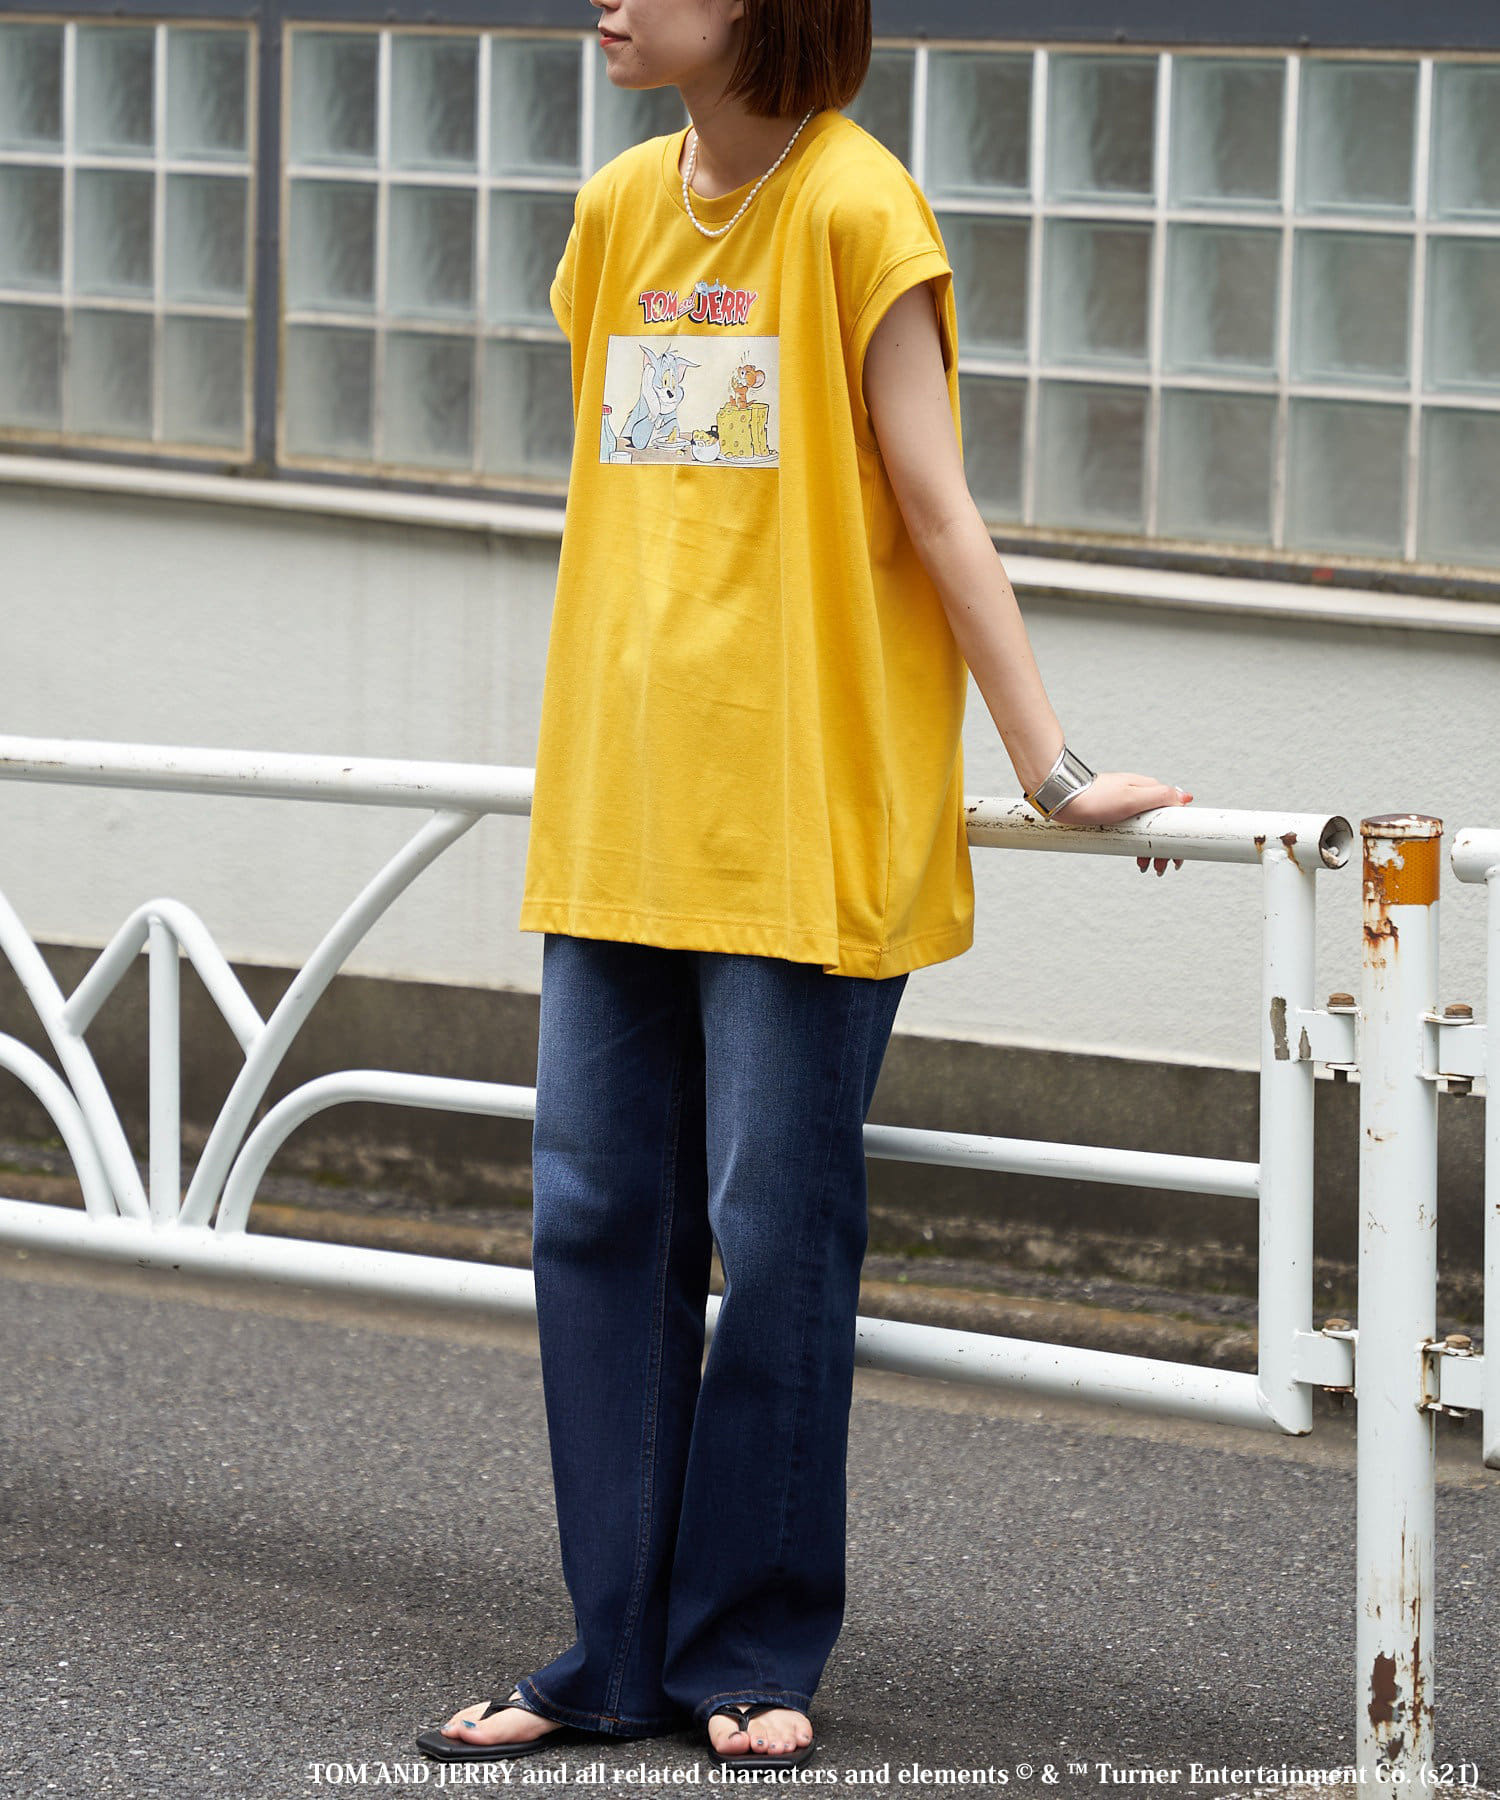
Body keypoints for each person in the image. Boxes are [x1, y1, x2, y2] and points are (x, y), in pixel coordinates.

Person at [416, 0, 1192, 1775]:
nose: (608, 3)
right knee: (595, 1223)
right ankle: (611, 1655)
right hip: (624, 803)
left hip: (804, 810)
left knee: (774, 1241)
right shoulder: (618, 208)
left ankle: (748, 1648)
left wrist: (1051, 767)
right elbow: (650, 497)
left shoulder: (856, 207)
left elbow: (936, 506)